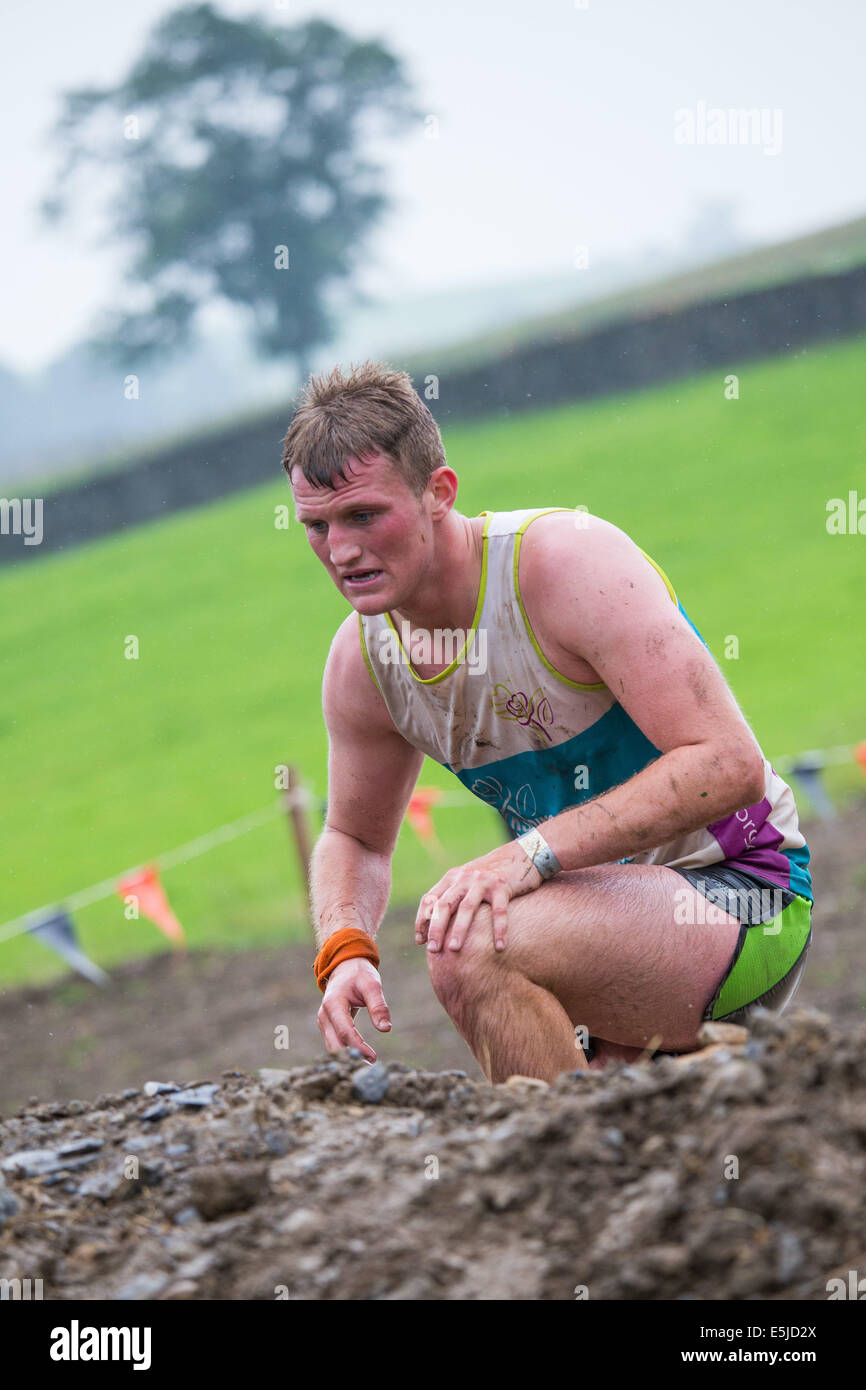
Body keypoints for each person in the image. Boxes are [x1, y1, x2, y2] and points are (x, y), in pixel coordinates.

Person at [282, 362, 813, 1080]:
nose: (340, 551)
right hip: (594, 924)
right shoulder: (362, 664)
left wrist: (526, 854)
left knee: (471, 941)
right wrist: (343, 948)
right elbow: (353, 836)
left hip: (742, 897)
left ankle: (570, 1167)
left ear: (439, 493)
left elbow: (728, 764)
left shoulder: (568, 563)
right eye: (316, 526)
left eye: (364, 515)